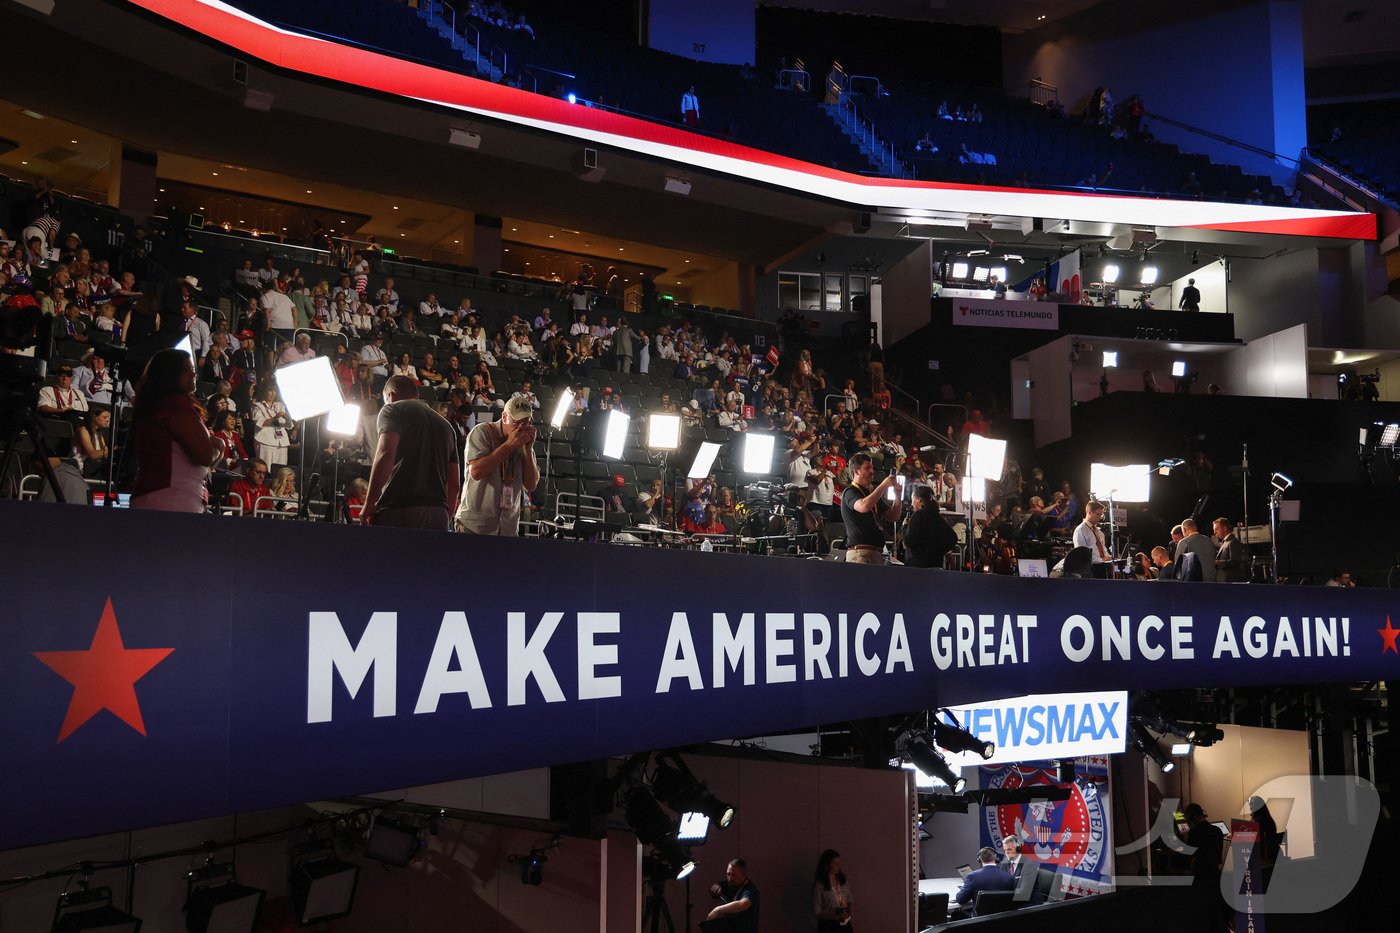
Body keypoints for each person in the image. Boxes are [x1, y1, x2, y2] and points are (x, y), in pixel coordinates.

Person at [128, 349, 217, 513]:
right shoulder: (173, 406)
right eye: (186, 370)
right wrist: (217, 446)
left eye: (192, 369)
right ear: (169, 375)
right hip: (170, 499)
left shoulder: (158, 405)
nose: (193, 374)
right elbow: (204, 455)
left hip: (162, 497)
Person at [454, 395, 538, 536]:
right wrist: (509, 446)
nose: (522, 428)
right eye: (517, 422)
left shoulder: (524, 443)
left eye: (526, 423)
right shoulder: (482, 432)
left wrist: (528, 450)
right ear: (504, 417)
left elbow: (531, 485)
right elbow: (476, 472)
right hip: (475, 527)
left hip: (507, 529)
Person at [840, 452, 901, 565]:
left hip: (875, 553)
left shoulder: (871, 495)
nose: (872, 471)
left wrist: (898, 495)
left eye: (872, 468)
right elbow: (864, 506)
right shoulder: (850, 492)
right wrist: (883, 485)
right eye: (867, 468)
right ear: (856, 471)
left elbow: (893, 516)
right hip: (860, 554)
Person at [902, 484, 957, 569]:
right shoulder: (938, 517)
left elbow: (909, 541)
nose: (912, 504)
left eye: (913, 499)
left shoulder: (918, 516)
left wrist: (905, 527)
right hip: (935, 565)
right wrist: (938, 551)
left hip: (917, 566)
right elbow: (952, 539)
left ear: (919, 499)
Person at [953, 847, 1015, 916]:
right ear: (996, 858)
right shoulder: (1009, 877)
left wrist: (964, 889)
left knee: (955, 915)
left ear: (980, 859)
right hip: (1003, 920)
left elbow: (960, 899)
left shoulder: (972, 877)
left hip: (980, 922)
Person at [704, 858, 758, 932]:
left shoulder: (750, 889)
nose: (730, 878)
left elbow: (744, 903)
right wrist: (716, 887)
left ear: (744, 875)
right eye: (728, 874)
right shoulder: (730, 883)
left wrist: (718, 910)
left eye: (734, 875)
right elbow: (716, 888)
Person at [813, 849, 854, 932]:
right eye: (835, 863)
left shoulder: (842, 880)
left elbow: (849, 898)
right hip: (828, 926)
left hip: (844, 924)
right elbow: (817, 912)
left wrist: (850, 911)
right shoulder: (820, 885)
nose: (839, 866)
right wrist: (833, 916)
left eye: (839, 863)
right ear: (826, 865)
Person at [1073, 499, 1113, 578]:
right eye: (1098, 514)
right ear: (1090, 512)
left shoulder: (1099, 532)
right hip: (1091, 571)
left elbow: (1103, 549)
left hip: (1103, 568)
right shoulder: (1080, 530)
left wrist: (1110, 557)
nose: (1100, 517)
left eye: (1101, 515)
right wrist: (1102, 560)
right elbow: (1081, 555)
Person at [1212, 517, 1249, 583]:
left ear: (1225, 528)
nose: (1215, 532)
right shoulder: (1225, 542)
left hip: (1229, 582)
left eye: (1216, 529)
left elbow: (1234, 561)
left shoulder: (1233, 542)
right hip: (1224, 581)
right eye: (1214, 530)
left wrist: (1216, 562)